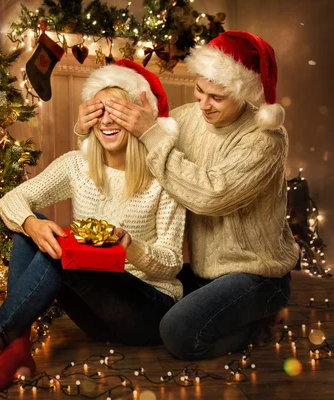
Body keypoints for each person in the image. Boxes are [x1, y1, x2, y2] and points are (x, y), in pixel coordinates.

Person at [0, 60, 186, 396]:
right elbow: (10, 201)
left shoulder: (163, 177)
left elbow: (172, 262)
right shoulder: (77, 165)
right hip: (96, 318)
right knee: (33, 226)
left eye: (118, 111)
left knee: (57, 246)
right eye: (100, 110)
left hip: (147, 310)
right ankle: (15, 346)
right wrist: (32, 224)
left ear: (137, 119)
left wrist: (131, 248)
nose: (107, 120)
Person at [75, 31, 300, 360]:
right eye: (199, 90)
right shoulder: (185, 118)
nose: (204, 104)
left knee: (179, 334)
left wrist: (151, 132)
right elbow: (128, 149)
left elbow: (210, 196)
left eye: (217, 97)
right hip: (200, 271)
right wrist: (86, 127)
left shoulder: (266, 139)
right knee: (140, 300)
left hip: (256, 273)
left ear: (244, 93)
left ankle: (260, 321)